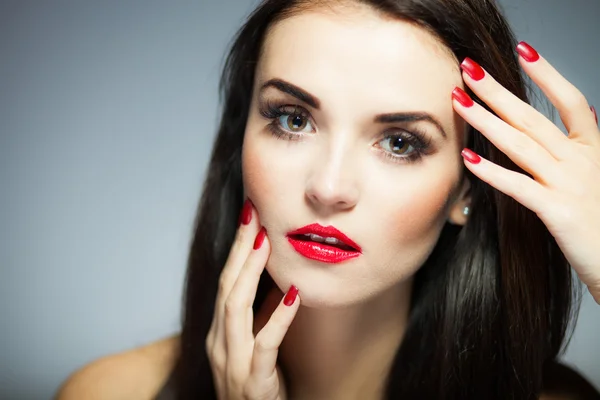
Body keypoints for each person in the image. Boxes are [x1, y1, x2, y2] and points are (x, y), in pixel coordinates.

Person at [56, 0, 600, 399]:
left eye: (399, 143)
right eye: (293, 120)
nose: (329, 187)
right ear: (241, 135)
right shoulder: (111, 392)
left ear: (467, 193)